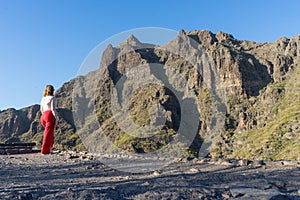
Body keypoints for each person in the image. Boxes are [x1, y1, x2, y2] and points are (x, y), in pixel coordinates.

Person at [40, 85, 58, 154]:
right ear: (52, 90)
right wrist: (56, 118)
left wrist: (44, 115)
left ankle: (49, 148)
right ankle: (45, 150)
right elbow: (53, 109)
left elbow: (41, 109)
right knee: (48, 134)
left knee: (49, 133)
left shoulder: (43, 99)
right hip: (49, 115)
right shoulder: (52, 98)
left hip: (43, 116)